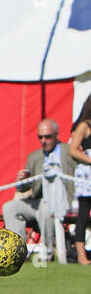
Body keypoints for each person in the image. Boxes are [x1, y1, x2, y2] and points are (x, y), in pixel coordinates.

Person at [2, 118, 75, 258]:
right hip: (39, 201)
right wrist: (22, 181)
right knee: (9, 207)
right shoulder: (34, 157)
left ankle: (47, 253)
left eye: (47, 136)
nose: (43, 140)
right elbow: (24, 188)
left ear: (56, 134)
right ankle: (17, 253)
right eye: (40, 137)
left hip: (64, 200)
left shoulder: (68, 151)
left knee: (46, 208)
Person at [69, 96, 91, 265]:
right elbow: (73, 150)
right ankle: (81, 255)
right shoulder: (84, 126)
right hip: (87, 176)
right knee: (83, 214)